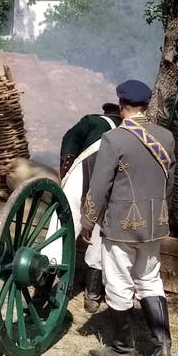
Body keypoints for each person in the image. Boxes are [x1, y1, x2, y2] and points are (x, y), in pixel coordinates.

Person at [81, 79, 178, 356]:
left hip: (121, 224)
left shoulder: (115, 140)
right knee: (150, 280)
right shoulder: (166, 137)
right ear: (146, 105)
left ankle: (122, 349)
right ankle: (161, 347)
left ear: (121, 106)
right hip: (154, 223)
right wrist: (162, 215)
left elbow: (99, 187)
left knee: (119, 283)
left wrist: (88, 220)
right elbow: (170, 184)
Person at [60, 100, 122, 310]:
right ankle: (92, 295)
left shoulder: (93, 121)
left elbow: (69, 140)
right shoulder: (127, 132)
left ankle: (51, 288)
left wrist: (65, 167)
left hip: (83, 177)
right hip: (110, 188)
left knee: (64, 227)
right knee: (98, 237)